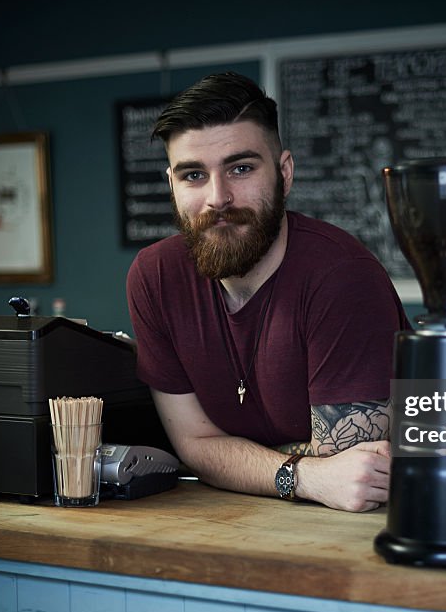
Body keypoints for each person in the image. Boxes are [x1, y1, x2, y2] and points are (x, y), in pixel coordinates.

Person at [126, 72, 410, 512]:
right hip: (252, 525)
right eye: (194, 175)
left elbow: (352, 473)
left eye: (240, 168)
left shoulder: (341, 275)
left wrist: (233, 456)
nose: (218, 197)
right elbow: (194, 446)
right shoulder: (155, 276)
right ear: (171, 185)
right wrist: (300, 472)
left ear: (285, 173)